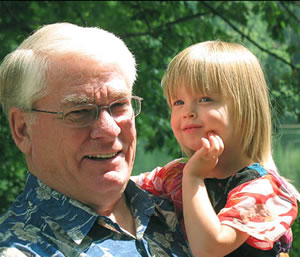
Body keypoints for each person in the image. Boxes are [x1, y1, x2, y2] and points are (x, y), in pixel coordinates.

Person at [0, 23, 193, 257]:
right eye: (79, 111)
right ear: (23, 130)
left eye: (119, 105)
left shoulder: (183, 209)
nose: (109, 130)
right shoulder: (17, 250)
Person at [134, 41, 299, 257]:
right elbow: (117, 187)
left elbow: (209, 249)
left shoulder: (263, 188)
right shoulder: (175, 175)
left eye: (205, 99)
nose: (188, 112)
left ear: (245, 108)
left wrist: (194, 178)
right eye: (178, 102)